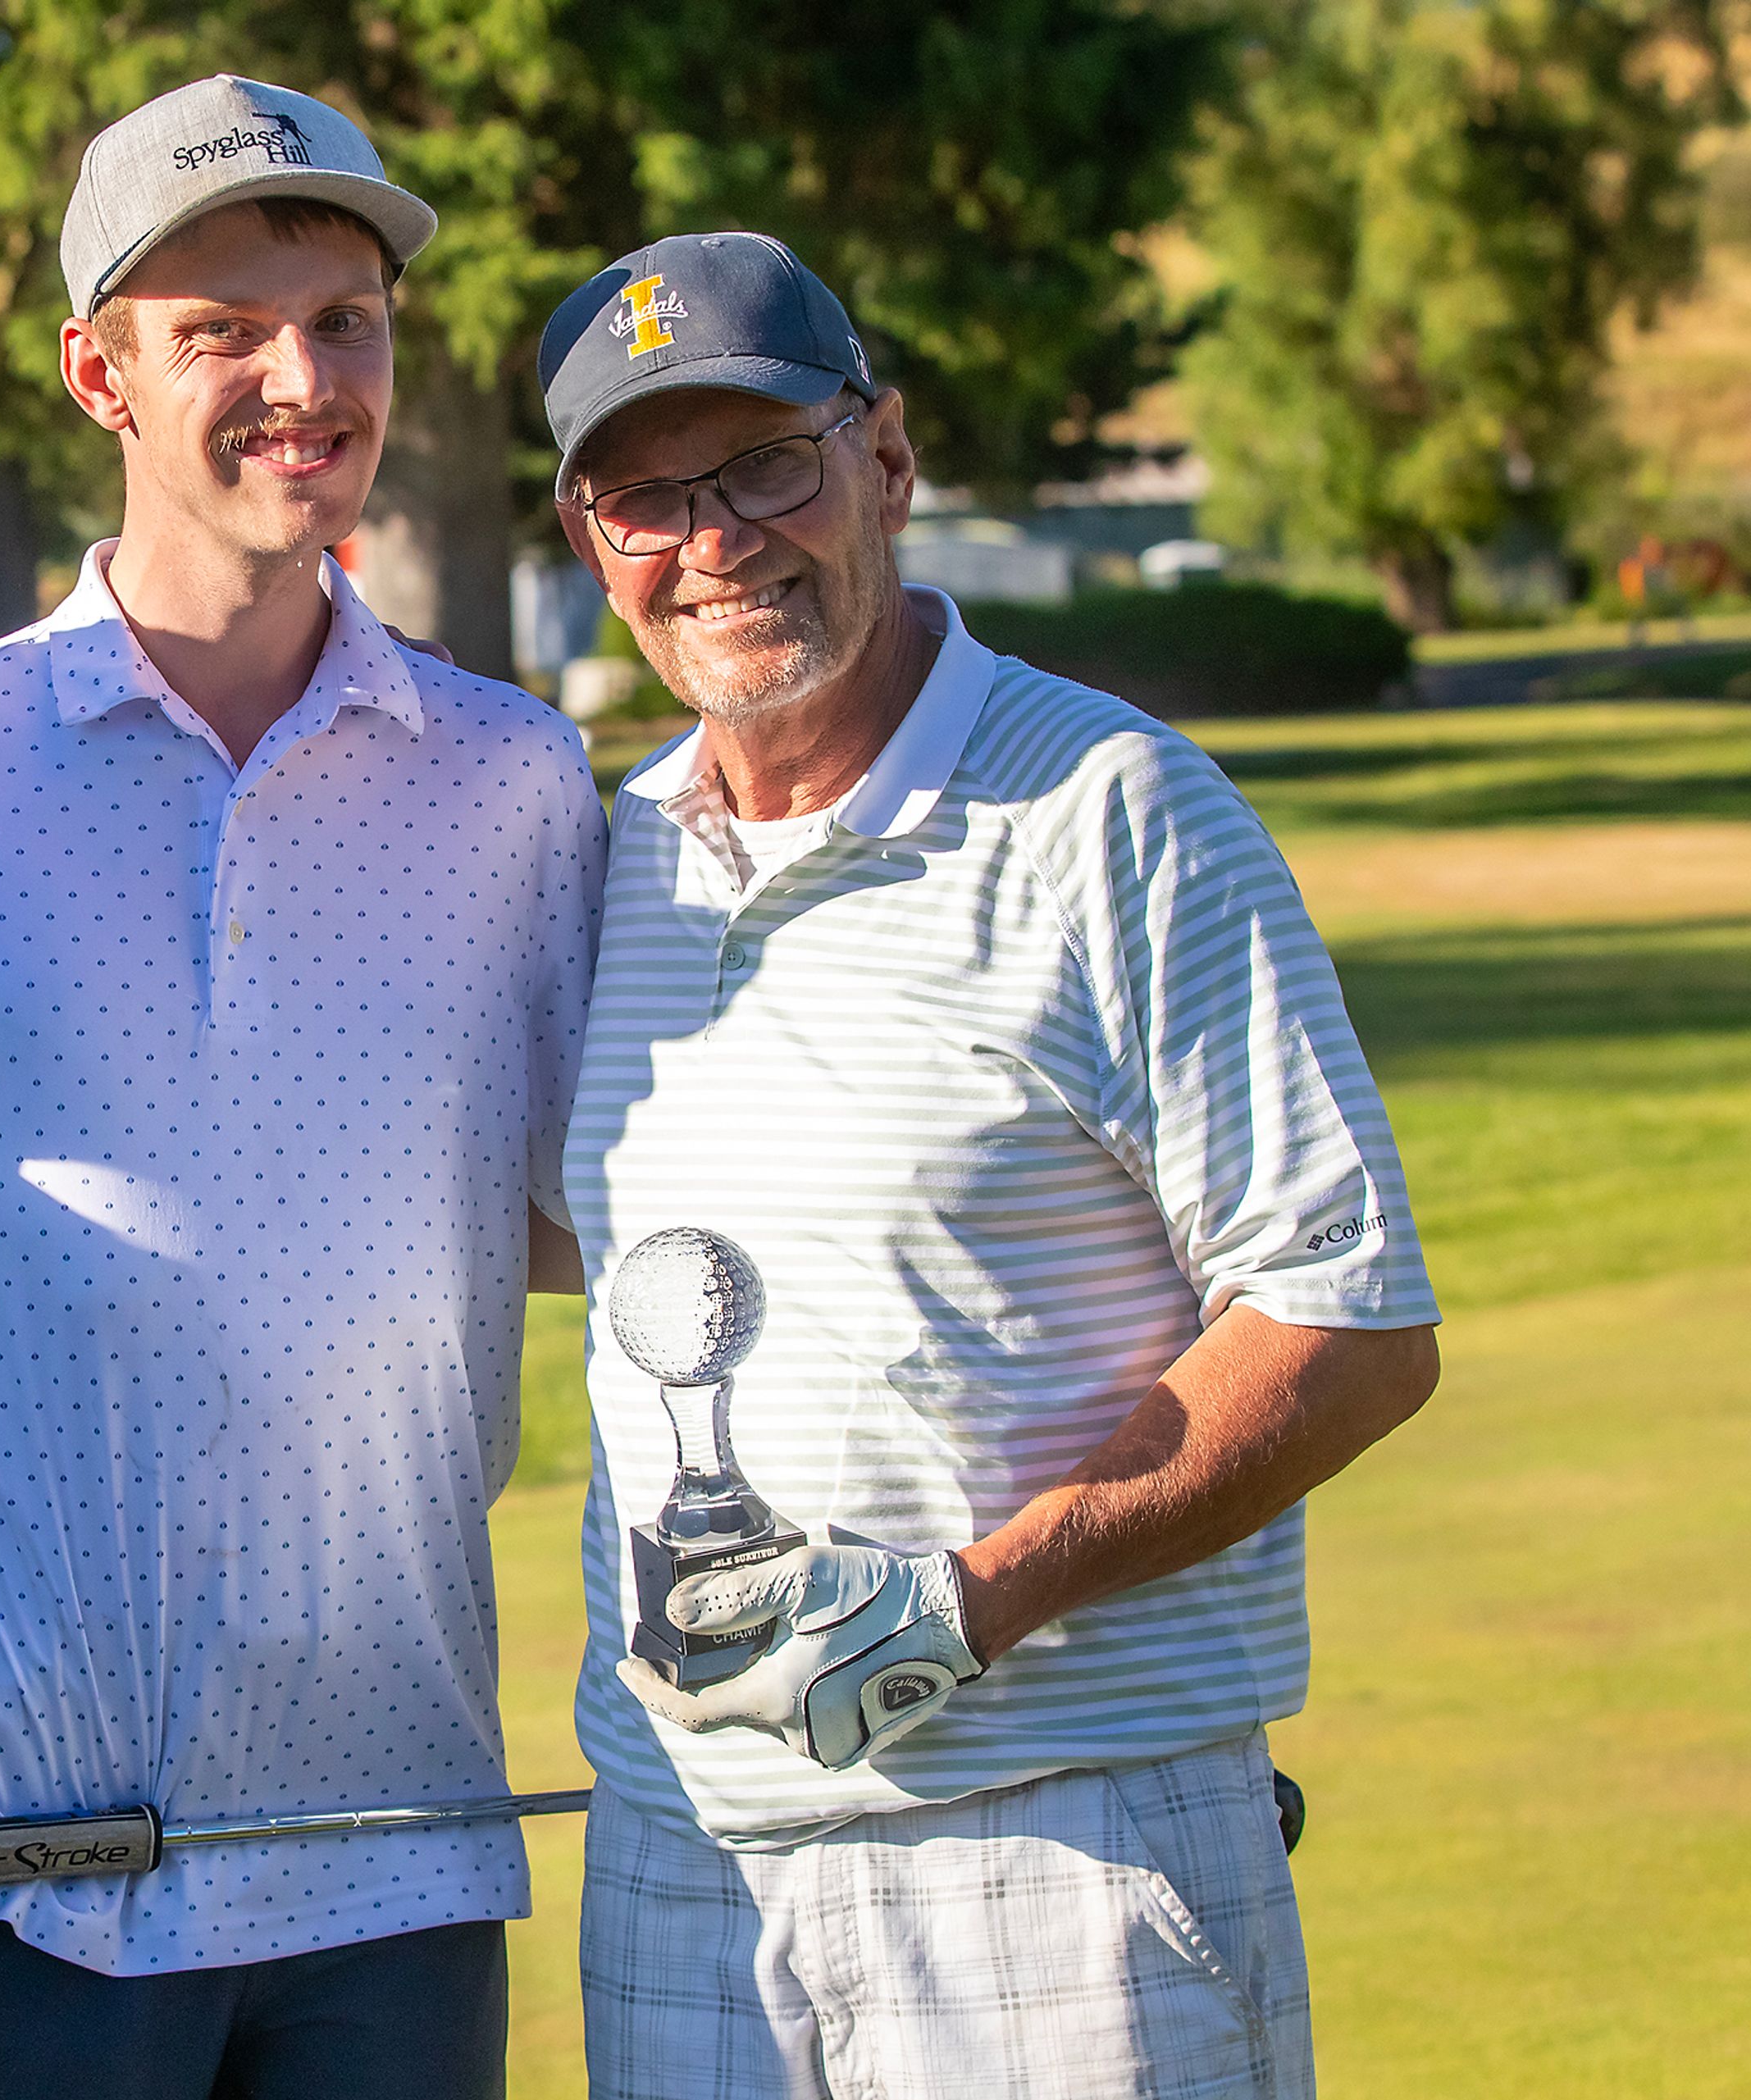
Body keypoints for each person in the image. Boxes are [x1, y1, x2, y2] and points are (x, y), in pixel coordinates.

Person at [0, 73, 604, 2100]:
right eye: (223, 330)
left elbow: (591, 1223)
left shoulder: (516, 781)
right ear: (97, 374)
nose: (306, 378)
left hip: (393, 1838)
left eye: (347, 321)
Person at [540, 233, 1443, 2097]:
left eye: (770, 464)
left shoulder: (1116, 811)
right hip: (686, 1870)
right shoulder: (605, 856)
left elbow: (1347, 1320)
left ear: (886, 453)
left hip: (1064, 1860)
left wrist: (969, 1601)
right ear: (586, 537)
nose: (717, 542)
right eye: (650, 496)